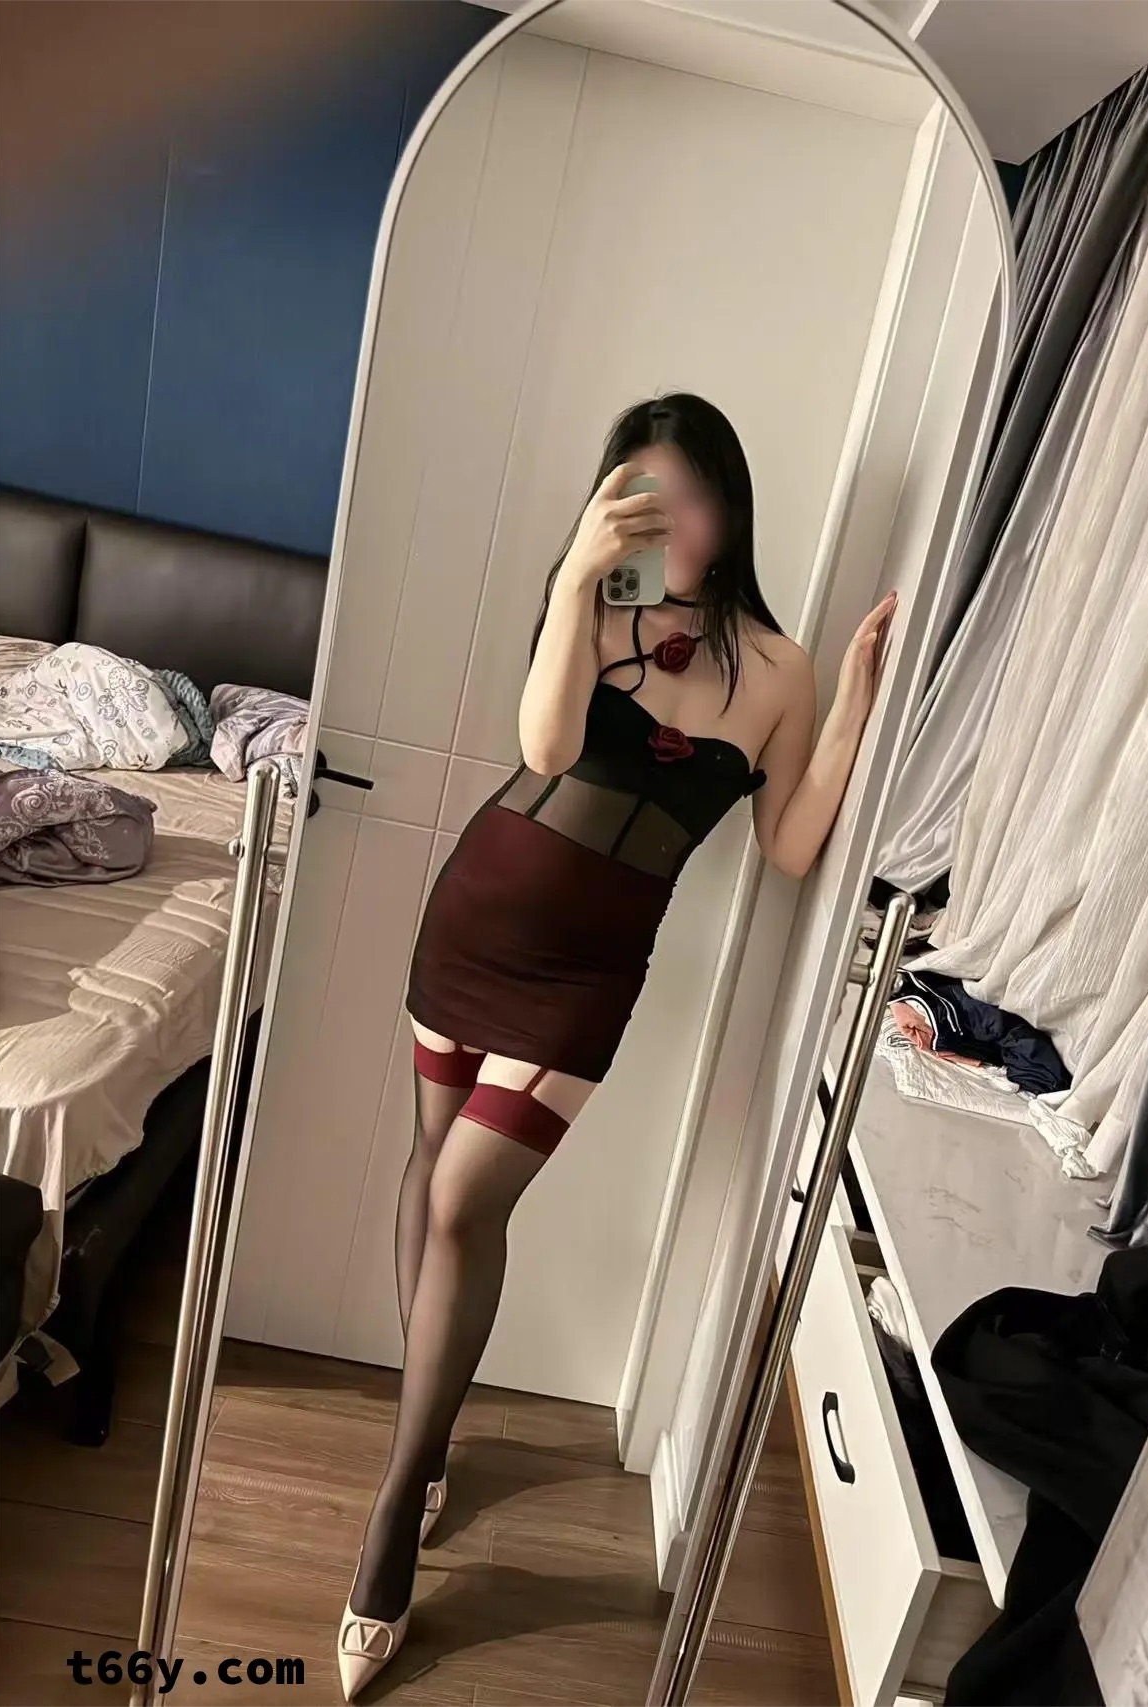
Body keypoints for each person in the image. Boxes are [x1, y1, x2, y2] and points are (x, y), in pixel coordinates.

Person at [337, 392, 894, 1698]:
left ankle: (396, 1509)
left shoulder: (779, 670)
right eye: (641, 495)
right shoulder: (590, 606)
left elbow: (790, 846)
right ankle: (427, 1450)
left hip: (584, 982)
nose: (669, 519)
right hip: (472, 918)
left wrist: (857, 703)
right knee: (428, 1165)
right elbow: (542, 745)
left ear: (730, 505)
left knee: (466, 1199)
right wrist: (578, 584)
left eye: (688, 494)